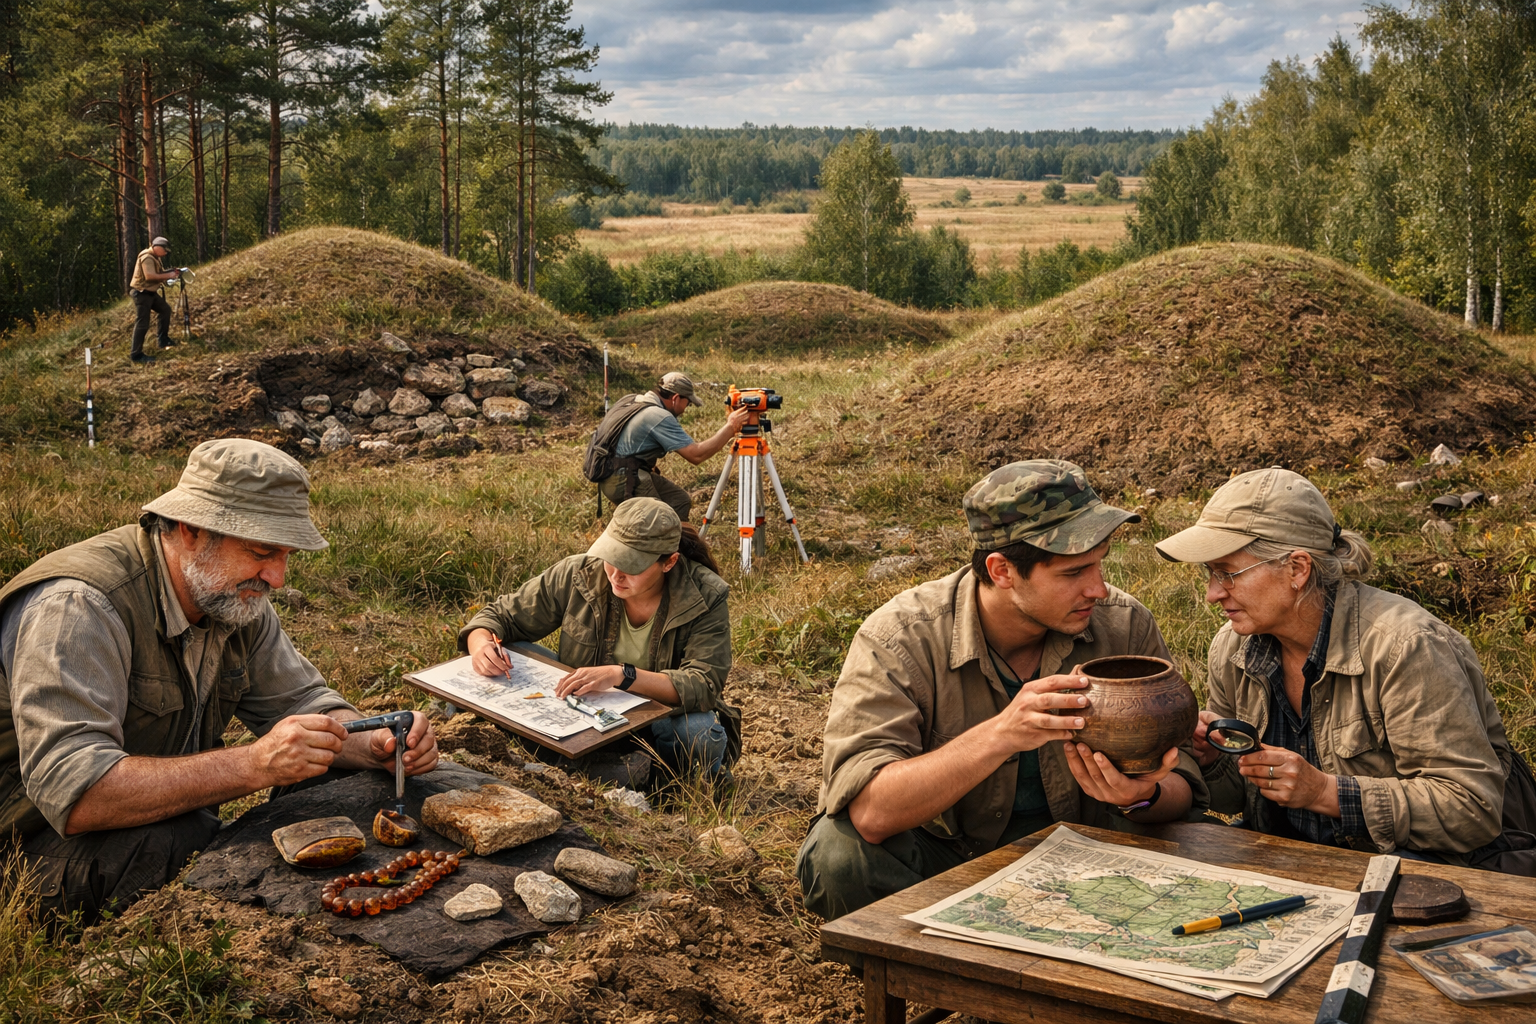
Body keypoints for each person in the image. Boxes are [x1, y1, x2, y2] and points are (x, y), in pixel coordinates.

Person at [0, 438, 440, 923]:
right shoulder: (78, 607)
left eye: (286, 554)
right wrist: (255, 765)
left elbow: (302, 701)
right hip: (28, 846)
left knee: (336, 780)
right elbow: (78, 791)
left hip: (152, 813)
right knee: (174, 839)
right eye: (260, 551)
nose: (276, 576)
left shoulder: (233, 596)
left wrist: (374, 740)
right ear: (190, 530)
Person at [795, 461, 1209, 921]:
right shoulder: (901, 638)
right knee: (840, 856)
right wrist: (1001, 735)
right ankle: (935, 981)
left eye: (1099, 565)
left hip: (1094, 857)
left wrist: (1141, 796)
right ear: (1002, 570)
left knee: (1200, 838)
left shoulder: (1124, 625)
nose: (1098, 588)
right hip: (953, 863)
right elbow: (871, 811)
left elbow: (1183, 783)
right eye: (1073, 573)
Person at [1157, 466, 1535, 873]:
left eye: (1227, 573)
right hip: (1297, 863)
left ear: (1297, 569)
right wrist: (1216, 760)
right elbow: (1239, 798)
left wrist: (1325, 792)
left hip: (1425, 872)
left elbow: (1471, 809)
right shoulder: (1232, 649)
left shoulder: (1407, 647)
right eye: (1209, 574)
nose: (1213, 593)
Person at [461, 497, 738, 779]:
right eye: (612, 558)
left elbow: (703, 684)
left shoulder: (705, 595)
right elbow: (502, 616)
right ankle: (606, 770)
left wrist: (622, 675)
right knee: (513, 651)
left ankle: (664, 782)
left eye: (632, 565)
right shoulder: (581, 572)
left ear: (669, 563)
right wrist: (481, 644)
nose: (616, 575)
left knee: (698, 732)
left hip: (657, 725)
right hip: (583, 713)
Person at [587, 371, 752, 521]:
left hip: (611, 472)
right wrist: (731, 427)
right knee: (660, 523)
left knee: (679, 501)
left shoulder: (634, 400)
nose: (685, 410)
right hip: (622, 480)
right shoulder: (658, 416)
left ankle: (678, 547)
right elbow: (696, 455)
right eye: (687, 404)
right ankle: (661, 550)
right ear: (675, 398)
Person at [128, 235, 182, 365]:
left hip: (150, 293)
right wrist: (169, 275)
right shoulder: (147, 257)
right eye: (165, 250)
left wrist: (172, 272)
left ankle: (162, 340)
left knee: (165, 310)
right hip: (142, 294)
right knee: (142, 323)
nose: (165, 253)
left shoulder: (154, 257)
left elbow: (159, 273)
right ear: (158, 247)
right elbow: (150, 276)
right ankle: (136, 354)